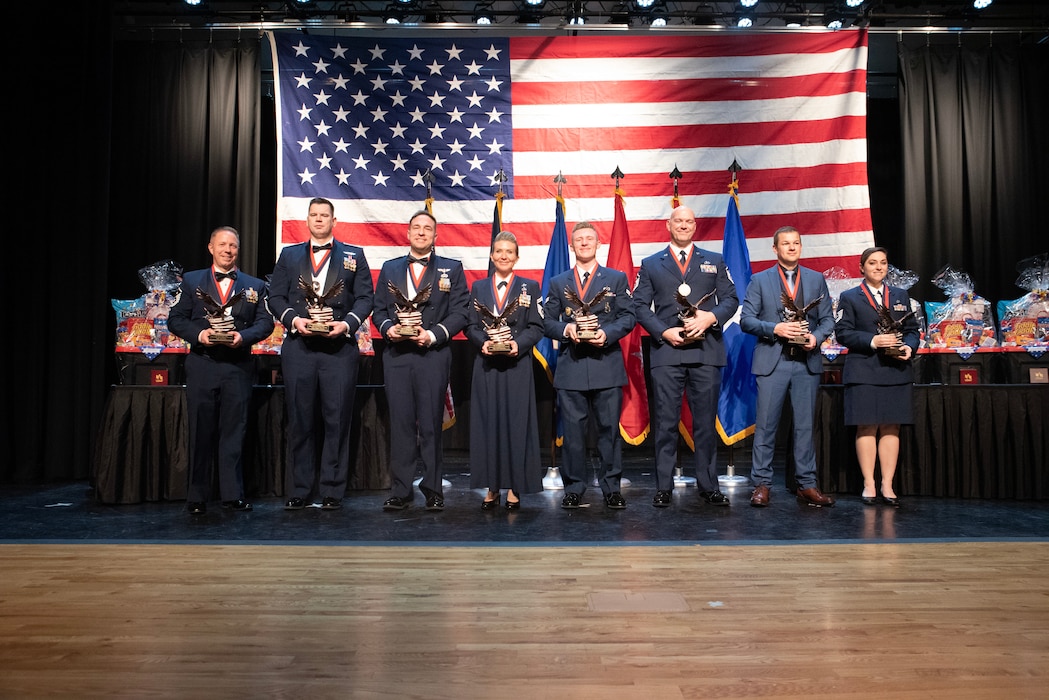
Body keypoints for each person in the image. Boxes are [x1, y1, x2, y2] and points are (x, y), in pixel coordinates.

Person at [266, 197, 374, 511]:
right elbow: (275, 296)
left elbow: (365, 299)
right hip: (299, 348)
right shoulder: (289, 255)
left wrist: (347, 324)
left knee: (337, 420)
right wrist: (293, 320)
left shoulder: (355, 255)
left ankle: (331, 490)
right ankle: (300, 488)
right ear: (307, 219)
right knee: (300, 420)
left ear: (333, 220)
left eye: (324, 215)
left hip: (339, 350)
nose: (318, 219)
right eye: (313, 214)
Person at [633, 205, 739, 508]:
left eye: (689, 221)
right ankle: (663, 486)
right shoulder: (652, 264)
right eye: (678, 221)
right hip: (667, 351)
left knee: (705, 423)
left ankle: (708, 485)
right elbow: (639, 306)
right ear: (668, 224)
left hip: (706, 352)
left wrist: (710, 317)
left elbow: (731, 298)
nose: (683, 225)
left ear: (695, 226)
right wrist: (663, 332)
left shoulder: (714, 261)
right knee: (665, 422)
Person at [168, 226, 275, 515]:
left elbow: (266, 323)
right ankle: (197, 496)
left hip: (237, 367)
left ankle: (232, 494)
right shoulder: (191, 281)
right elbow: (175, 320)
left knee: (234, 432)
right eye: (223, 245)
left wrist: (245, 337)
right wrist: (200, 334)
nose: (228, 250)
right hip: (203, 365)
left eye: (233, 246)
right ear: (211, 248)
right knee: (201, 432)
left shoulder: (255, 286)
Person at [372, 210, 470, 512]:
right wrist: (391, 330)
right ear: (408, 233)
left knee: (430, 425)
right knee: (401, 425)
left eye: (428, 229)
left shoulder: (451, 269)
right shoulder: (389, 269)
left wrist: (432, 335)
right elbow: (378, 312)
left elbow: (461, 313)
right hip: (398, 356)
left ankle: (433, 489)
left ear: (435, 236)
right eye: (416, 228)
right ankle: (400, 491)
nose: (421, 233)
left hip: (432, 355)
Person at [739, 226, 836, 508]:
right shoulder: (760, 280)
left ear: (801, 247)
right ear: (775, 249)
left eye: (796, 243)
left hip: (806, 363)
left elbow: (828, 319)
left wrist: (815, 338)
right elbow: (746, 320)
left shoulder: (816, 280)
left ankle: (806, 485)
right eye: (785, 243)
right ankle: (762, 484)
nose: (791, 248)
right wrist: (776, 328)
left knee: (805, 427)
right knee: (767, 427)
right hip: (773, 361)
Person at [542, 221, 636, 510]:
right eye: (578, 240)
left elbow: (628, 317)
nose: (584, 244)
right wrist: (567, 330)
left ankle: (611, 487)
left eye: (589, 239)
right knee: (572, 434)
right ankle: (574, 488)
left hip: (605, 364)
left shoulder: (616, 278)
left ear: (598, 244)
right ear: (571, 246)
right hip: (571, 367)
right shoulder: (559, 282)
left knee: (609, 432)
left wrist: (606, 334)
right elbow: (546, 321)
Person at [464, 231, 545, 511]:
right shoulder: (478, 287)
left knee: (516, 425)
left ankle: (514, 486)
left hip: (517, 365)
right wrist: (483, 342)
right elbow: (470, 326)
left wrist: (517, 344)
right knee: (488, 425)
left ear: (517, 257)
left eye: (509, 252)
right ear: (491, 255)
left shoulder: (530, 287)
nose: (503, 256)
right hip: (486, 365)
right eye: (499, 251)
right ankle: (492, 486)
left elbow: (537, 327)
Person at [834, 246, 920, 507]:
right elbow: (843, 333)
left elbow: (913, 330)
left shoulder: (901, 295)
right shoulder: (849, 297)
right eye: (872, 263)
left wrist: (909, 347)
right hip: (864, 369)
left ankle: (888, 484)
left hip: (896, 370)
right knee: (867, 425)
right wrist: (873, 340)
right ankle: (869, 483)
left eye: (883, 262)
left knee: (892, 426)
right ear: (862, 267)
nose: (878, 267)